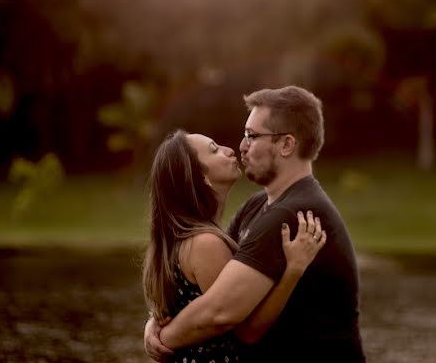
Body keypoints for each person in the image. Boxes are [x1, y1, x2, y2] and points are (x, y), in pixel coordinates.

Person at [145, 86, 366, 362]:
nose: (241, 146)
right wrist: (155, 319)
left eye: (252, 135)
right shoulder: (257, 206)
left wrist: (162, 337)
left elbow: (219, 312)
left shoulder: (294, 215)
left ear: (286, 145)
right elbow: (208, 287)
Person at [142, 128, 327, 363]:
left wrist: (155, 327)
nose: (230, 150)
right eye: (214, 150)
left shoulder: (182, 240)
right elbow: (247, 329)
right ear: (201, 177)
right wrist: (294, 269)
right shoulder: (205, 244)